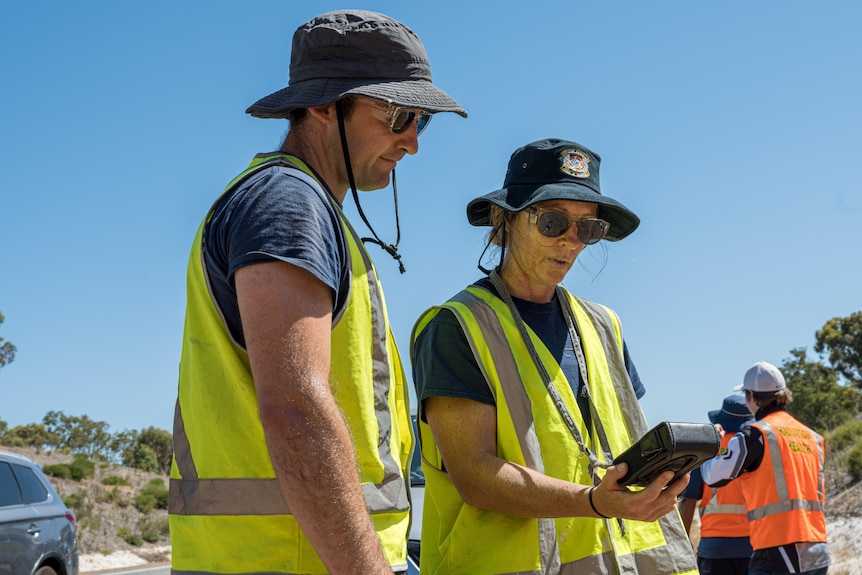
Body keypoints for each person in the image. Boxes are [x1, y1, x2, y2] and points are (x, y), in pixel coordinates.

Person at [168, 10, 466, 575]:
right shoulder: (289, 202)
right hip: (300, 559)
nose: (412, 143)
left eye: (422, 122)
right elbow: (295, 408)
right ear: (325, 106)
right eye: (400, 116)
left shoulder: (298, 204)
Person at [411, 138, 697, 574]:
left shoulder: (604, 325)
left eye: (588, 229)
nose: (571, 241)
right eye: (552, 222)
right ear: (504, 220)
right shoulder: (457, 326)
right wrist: (593, 503)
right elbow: (473, 475)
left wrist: (659, 478)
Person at [701, 361, 831, 575]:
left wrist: (711, 444)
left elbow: (713, 477)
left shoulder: (756, 435)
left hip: (778, 548)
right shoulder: (812, 437)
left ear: (751, 395)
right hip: (817, 547)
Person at [678, 395, 756, 575]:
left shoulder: (708, 448)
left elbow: (688, 501)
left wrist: (683, 542)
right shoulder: (757, 446)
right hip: (753, 544)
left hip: (714, 547)